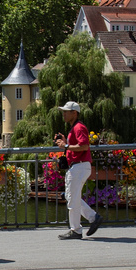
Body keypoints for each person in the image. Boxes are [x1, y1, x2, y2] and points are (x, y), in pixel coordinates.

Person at [56, 101, 99, 240]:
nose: (64, 114)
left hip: (79, 166)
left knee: (72, 199)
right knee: (71, 197)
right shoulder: (75, 127)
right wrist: (65, 141)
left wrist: (66, 146)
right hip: (79, 166)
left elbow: (84, 146)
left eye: (66, 111)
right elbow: (80, 145)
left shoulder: (79, 127)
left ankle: (76, 229)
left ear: (74, 113)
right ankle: (93, 217)